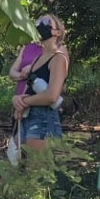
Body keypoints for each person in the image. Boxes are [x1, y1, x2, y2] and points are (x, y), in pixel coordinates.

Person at [12, 14, 69, 149]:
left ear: (57, 32)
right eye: (38, 21)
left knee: (38, 168)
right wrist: (16, 100)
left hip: (43, 119)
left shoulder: (58, 58)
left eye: (46, 21)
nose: (40, 24)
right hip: (27, 117)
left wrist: (24, 102)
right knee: (22, 167)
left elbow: (52, 95)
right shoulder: (37, 59)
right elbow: (27, 89)